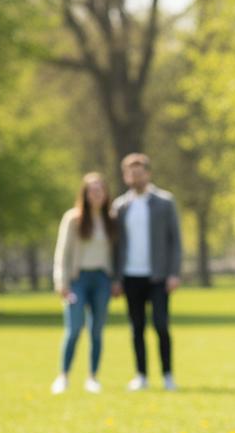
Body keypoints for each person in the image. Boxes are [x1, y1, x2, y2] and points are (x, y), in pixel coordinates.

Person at [111, 153, 182, 391]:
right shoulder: (120, 206)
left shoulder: (164, 202)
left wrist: (174, 272)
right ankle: (141, 375)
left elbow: (175, 240)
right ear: (125, 176)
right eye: (131, 173)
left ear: (148, 174)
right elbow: (115, 245)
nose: (135, 177)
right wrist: (117, 278)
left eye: (140, 172)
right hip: (131, 276)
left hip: (159, 276)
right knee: (136, 328)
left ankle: (168, 375)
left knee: (161, 326)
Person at [50, 172, 116, 394]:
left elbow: (116, 253)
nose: (96, 194)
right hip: (78, 279)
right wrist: (62, 282)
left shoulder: (111, 219)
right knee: (74, 328)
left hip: (101, 279)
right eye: (92, 190)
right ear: (85, 194)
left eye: (100, 190)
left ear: (106, 193)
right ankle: (63, 376)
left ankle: (92, 377)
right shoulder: (73, 218)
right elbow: (62, 251)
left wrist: (115, 280)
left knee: (96, 331)